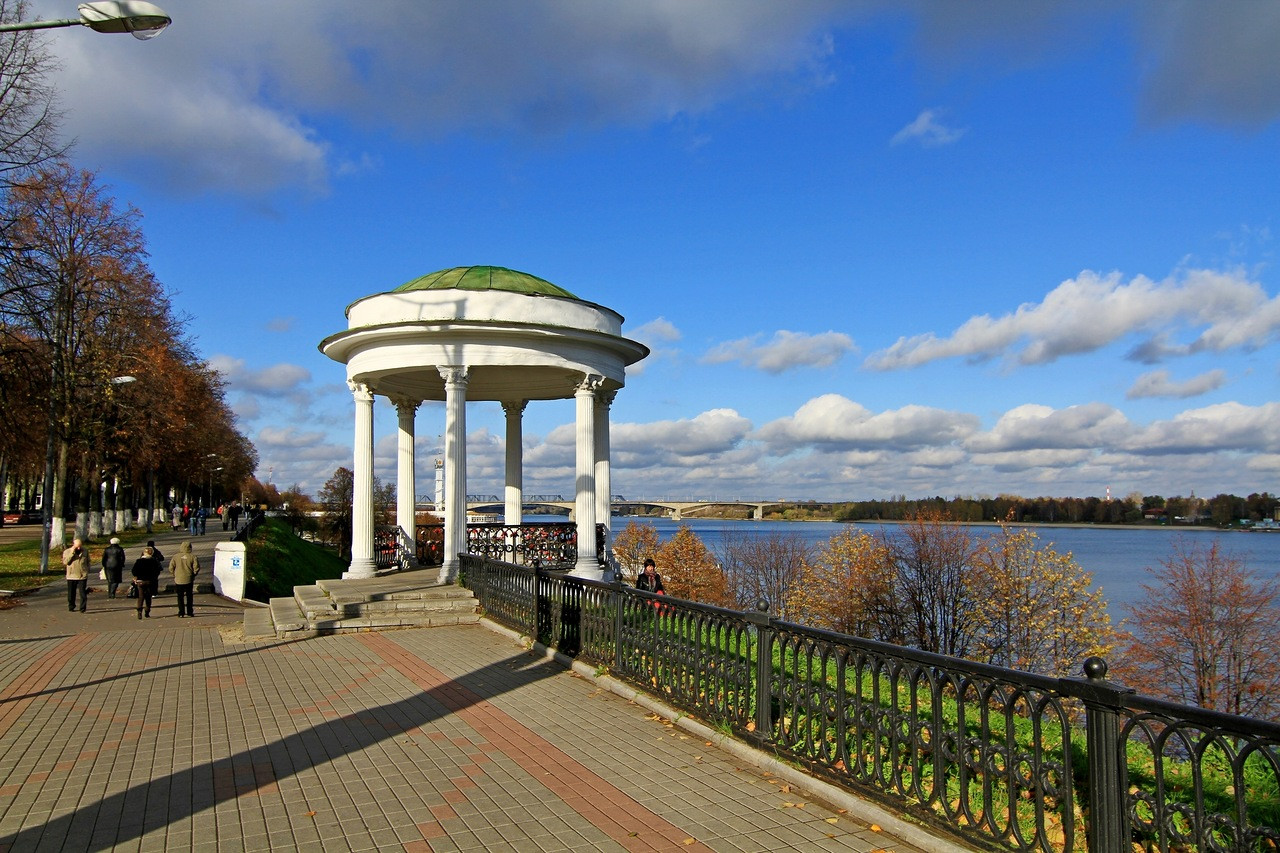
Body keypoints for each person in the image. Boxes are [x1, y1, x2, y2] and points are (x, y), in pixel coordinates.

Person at [169, 541, 200, 618]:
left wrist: (174, 575)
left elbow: (171, 567)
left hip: (178, 579)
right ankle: (190, 612)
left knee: (180, 597)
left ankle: (181, 612)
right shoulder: (192, 557)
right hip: (188, 578)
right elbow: (196, 568)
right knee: (189, 596)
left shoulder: (175, 557)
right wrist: (193, 574)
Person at [130, 546, 162, 619]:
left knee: (141, 596)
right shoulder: (154, 561)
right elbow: (158, 570)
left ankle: (139, 610)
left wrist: (136, 576)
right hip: (150, 581)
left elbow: (134, 571)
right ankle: (147, 611)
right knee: (148, 596)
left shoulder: (139, 561)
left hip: (140, 581)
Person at [63, 538, 91, 612]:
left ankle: (82, 608)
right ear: (73, 545)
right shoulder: (67, 551)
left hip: (82, 575)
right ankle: (71, 606)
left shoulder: (85, 551)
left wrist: (87, 570)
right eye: (77, 546)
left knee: (83, 593)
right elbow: (66, 562)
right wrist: (72, 553)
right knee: (71, 593)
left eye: (80, 546)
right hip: (71, 576)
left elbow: (88, 561)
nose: (79, 548)